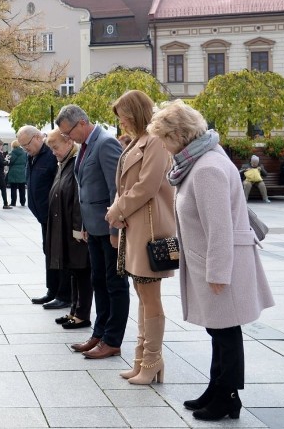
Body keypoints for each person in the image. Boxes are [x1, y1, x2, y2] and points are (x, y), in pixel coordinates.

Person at [147, 100, 274, 421]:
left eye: (164, 138)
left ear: (179, 134)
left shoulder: (207, 169)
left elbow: (219, 228)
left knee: (225, 332)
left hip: (218, 265)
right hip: (210, 261)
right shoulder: (200, 161)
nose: (162, 145)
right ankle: (217, 388)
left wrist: (218, 273)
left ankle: (227, 397)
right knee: (219, 331)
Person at [104, 90, 176, 385]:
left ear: (134, 113)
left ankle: (152, 360)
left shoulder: (155, 141)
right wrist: (119, 211)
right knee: (143, 296)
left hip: (150, 230)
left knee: (149, 296)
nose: (120, 121)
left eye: (122, 115)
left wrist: (116, 209)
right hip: (136, 227)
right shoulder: (138, 141)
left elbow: (147, 186)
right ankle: (143, 360)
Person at [56, 104, 129, 360]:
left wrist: (114, 229)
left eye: (68, 132)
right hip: (94, 229)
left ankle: (112, 339)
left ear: (82, 123)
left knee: (114, 285)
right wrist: (85, 226)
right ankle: (99, 334)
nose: (68, 138)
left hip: (108, 228)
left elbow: (115, 189)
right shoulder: (87, 146)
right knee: (99, 282)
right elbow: (85, 190)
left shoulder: (106, 143)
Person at [17, 125, 69, 308]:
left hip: (55, 214)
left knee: (58, 254)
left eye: (27, 145)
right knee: (49, 252)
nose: (25, 149)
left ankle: (64, 295)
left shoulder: (51, 154)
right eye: (22, 146)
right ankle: (52, 291)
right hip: (43, 215)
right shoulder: (32, 156)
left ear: (38, 137)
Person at [46, 132, 92, 330]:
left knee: (81, 271)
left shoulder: (74, 162)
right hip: (65, 227)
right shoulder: (65, 162)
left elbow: (78, 199)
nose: (54, 152)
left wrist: (77, 229)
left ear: (68, 142)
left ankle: (82, 314)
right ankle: (74, 311)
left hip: (76, 231)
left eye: (56, 147)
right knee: (73, 270)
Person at [6, 139, 28, 207]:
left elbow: (9, 162)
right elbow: (26, 162)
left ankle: (13, 202)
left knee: (13, 188)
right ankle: (23, 202)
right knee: (22, 188)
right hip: (22, 172)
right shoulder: (25, 153)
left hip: (13, 172)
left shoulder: (11, 153)